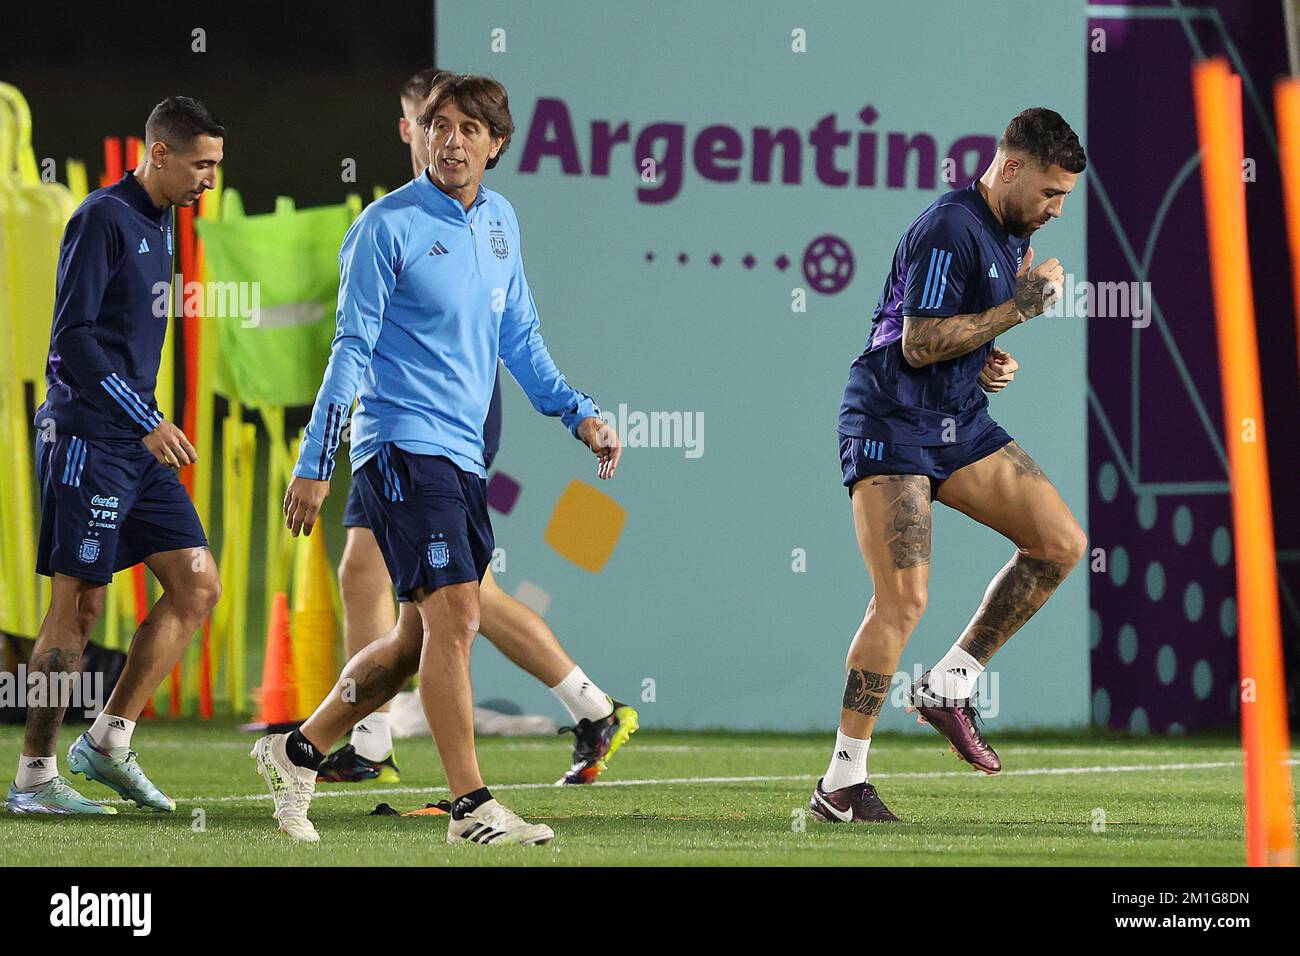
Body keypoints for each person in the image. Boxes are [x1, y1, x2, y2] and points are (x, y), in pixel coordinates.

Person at [252, 73, 623, 845]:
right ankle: (471, 808)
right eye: (437, 125)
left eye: (468, 129)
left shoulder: (500, 224)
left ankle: (297, 751)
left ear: (496, 144)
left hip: (462, 456)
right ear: (419, 134)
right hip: (399, 447)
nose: (451, 140)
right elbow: (348, 350)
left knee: (414, 643)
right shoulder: (384, 227)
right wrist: (318, 460)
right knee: (457, 614)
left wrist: (578, 412)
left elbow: (518, 339)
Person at [813, 108, 1089, 824]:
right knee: (901, 601)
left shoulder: (1011, 234)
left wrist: (988, 360)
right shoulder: (951, 225)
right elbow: (916, 342)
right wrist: (1014, 313)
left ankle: (950, 684)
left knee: (1060, 543)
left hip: (957, 422)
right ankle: (841, 784)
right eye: (1051, 193)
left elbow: (960, 336)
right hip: (891, 422)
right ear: (1011, 167)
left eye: (1065, 198)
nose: (1057, 210)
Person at [6, 96, 224, 815]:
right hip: (86, 441)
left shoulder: (160, 223)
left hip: (132, 446)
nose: (209, 181)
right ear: (159, 153)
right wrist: (146, 417)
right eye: (201, 164)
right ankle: (34, 775)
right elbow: (71, 339)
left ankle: (108, 741)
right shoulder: (102, 217)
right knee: (79, 608)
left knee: (196, 584)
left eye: (216, 166)